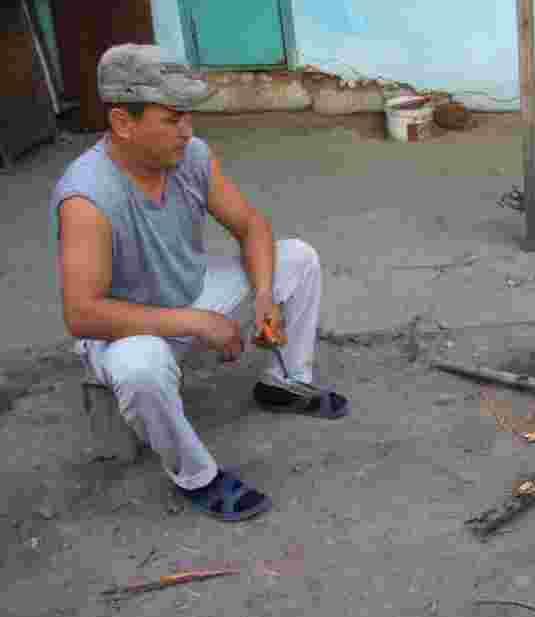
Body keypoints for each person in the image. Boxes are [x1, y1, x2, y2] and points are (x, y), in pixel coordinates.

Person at [52, 44, 349, 522]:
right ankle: (197, 476)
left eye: (188, 115)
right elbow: (82, 313)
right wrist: (197, 322)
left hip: (193, 292)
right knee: (141, 368)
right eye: (172, 119)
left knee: (297, 258)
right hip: (125, 329)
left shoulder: (190, 156)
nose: (187, 130)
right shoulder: (87, 197)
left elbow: (251, 225)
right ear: (123, 123)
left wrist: (265, 297)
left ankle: (285, 382)